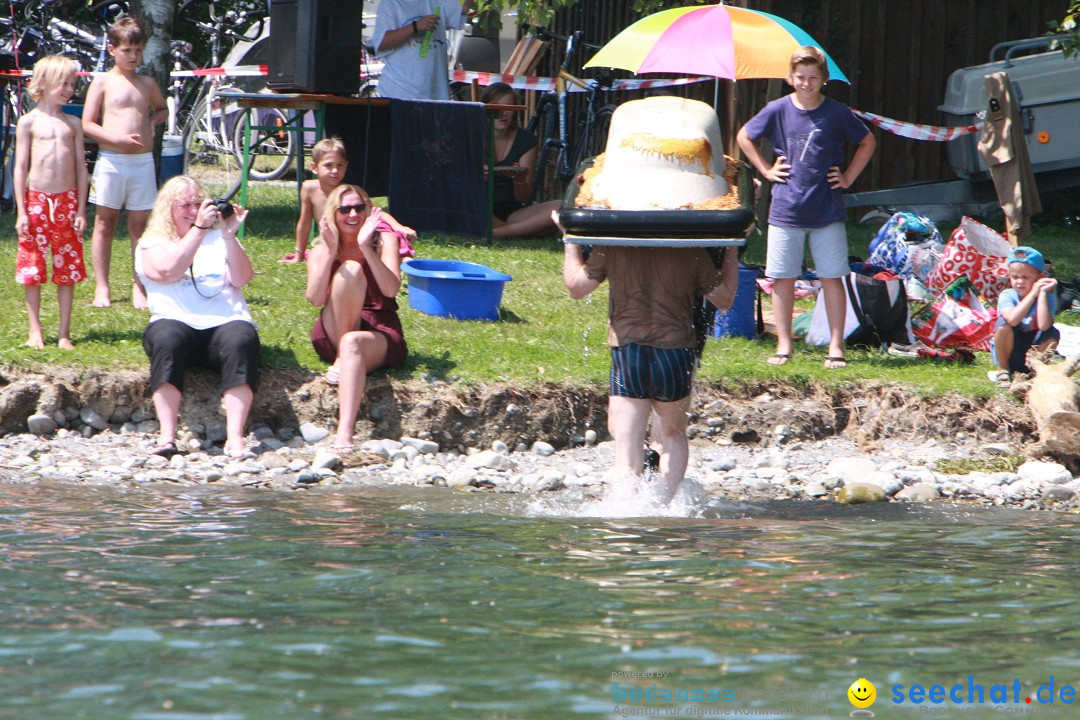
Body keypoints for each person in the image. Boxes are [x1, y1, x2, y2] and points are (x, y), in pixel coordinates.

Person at [561, 224, 740, 500]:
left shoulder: (613, 246)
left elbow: (576, 288)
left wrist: (570, 239)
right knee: (672, 435)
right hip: (675, 352)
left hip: (629, 351)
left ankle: (623, 516)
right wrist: (731, 246)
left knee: (626, 450)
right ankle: (666, 508)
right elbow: (725, 298)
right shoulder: (690, 252)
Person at [736, 46, 876, 370]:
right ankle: (784, 345)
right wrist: (765, 170)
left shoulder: (838, 113)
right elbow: (745, 136)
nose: (806, 83)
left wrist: (849, 176)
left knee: (832, 277)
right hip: (785, 209)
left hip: (827, 210)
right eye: (800, 77)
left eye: (813, 78)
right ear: (790, 78)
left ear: (824, 80)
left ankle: (836, 346)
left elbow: (867, 141)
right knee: (782, 277)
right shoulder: (777, 109)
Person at [135, 176, 261, 459]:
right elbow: (168, 272)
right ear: (169, 209)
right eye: (185, 206)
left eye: (198, 203)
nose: (193, 211)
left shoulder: (218, 238)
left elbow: (242, 278)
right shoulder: (152, 243)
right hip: (175, 322)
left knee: (242, 338)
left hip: (224, 323)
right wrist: (200, 229)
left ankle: (235, 438)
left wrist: (228, 236)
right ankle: (167, 437)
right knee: (167, 339)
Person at [306, 184, 413, 450]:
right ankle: (341, 355)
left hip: (376, 331)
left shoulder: (384, 241)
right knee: (349, 269)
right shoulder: (320, 250)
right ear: (334, 214)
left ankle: (344, 434)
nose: (352, 214)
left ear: (368, 211)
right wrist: (331, 253)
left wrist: (366, 249)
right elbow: (315, 299)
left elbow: (390, 289)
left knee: (352, 342)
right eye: (345, 209)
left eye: (358, 208)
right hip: (333, 327)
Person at [82, 16, 168, 309]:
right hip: (111, 161)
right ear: (112, 49)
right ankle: (102, 287)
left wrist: (153, 122)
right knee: (105, 222)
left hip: (142, 161)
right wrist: (115, 140)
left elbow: (162, 109)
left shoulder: (147, 83)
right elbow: (87, 124)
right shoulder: (103, 81)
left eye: (138, 51)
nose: (133, 57)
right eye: (127, 51)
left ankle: (139, 285)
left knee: (139, 226)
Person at [13, 55, 89, 350]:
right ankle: (35, 330)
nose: (69, 88)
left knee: (66, 267)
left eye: (72, 83)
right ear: (42, 84)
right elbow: (20, 168)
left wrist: (81, 208)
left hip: (67, 202)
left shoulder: (73, 123)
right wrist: (22, 210)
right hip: (36, 202)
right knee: (32, 267)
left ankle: (64, 332)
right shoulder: (28, 122)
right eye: (63, 83)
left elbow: (82, 169)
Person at [283, 137, 415, 264]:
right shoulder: (309, 188)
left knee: (382, 243)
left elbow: (377, 212)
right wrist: (299, 254)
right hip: (337, 240)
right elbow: (305, 223)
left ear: (346, 166)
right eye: (328, 165)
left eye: (340, 165)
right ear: (314, 167)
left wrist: (399, 227)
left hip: (360, 237)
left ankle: (402, 260)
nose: (335, 170)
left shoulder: (349, 192)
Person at [481, 82, 560, 238]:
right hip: (479, 206)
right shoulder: (472, 136)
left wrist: (519, 180)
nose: (503, 113)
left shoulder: (526, 140)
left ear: (516, 110)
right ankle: (524, 230)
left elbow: (523, 198)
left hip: (512, 211)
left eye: (509, 107)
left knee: (561, 208)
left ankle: (500, 233)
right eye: (497, 106)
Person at [371, 0, 476, 100]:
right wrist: (415, 27)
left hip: (436, 94)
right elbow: (381, 43)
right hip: (399, 93)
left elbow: (464, 7)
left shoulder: (438, 1)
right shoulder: (390, 3)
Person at [990, 246, 1059, 387]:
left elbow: (1044, 325)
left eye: (1026, 277)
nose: (1019, 281)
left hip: (1032, 350)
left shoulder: (1047, 298)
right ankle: (1003, 370)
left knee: (1053, 333)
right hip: (1010, 351)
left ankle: (1035, 371)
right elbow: (1012, 320)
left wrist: (1042, 293)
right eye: (1015, 277)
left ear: (1040, 278)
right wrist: (1033, 293)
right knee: (1003, 326)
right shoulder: (1007, 295)